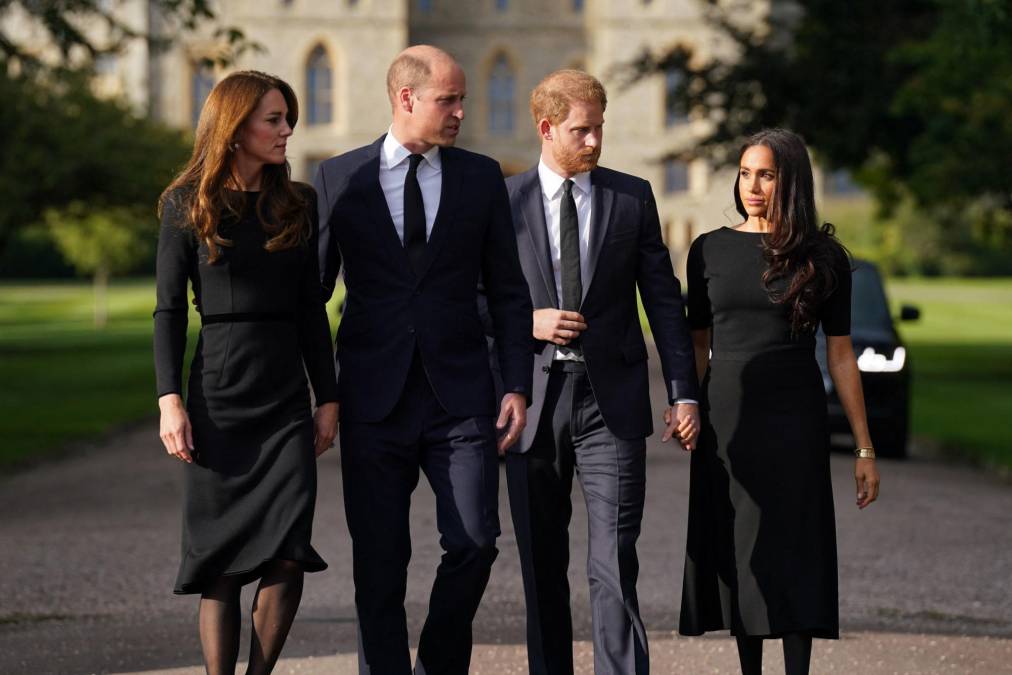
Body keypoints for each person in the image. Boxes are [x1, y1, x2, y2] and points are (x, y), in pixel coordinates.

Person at [313, 45, 533, 675]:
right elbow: (312, 297)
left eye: (462, 98)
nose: (461, 110)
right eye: (449, 99)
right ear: (406, 98)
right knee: (379, 563)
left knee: (475, 542)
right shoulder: (340, 178)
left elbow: (509, 293)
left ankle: (437, 663)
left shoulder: (480, 177)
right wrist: (320, 391)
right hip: (371, 399)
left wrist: (515, 384)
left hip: (461, 398)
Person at [503, 69, 700, 675]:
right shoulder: (502, 202)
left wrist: (683, 391)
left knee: (615, 557)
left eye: (599, 129)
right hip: (532, 404)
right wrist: (528, 322)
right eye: (580, 131)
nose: (594, 142)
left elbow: (664, 302)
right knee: (541, 562)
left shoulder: (631, 196)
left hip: (609, 403)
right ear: (546, 128)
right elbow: (470, 301)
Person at [153, 71, 338, 675]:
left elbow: (313, 308)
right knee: (224, 561)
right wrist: (169, 401)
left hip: (285, 397)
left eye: (288, 118)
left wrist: (327, 397)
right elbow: (169, 310)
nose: (287, 130)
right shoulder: (187, 204)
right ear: (234, 129)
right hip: (218, 396)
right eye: (274, 120)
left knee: (287, 552)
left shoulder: (299, 203)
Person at [678, 128, 881, 675]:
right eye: (746, 173)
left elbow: (840, 355)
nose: (753, 185)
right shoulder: (708, 250)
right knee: (742, 547)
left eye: (766, 174)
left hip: (796, 419)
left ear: (791, 180)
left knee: (793, 547)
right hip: (727, 417)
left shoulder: (824, 257)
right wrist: (685, 405)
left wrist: (864, 448)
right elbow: (697, 343)